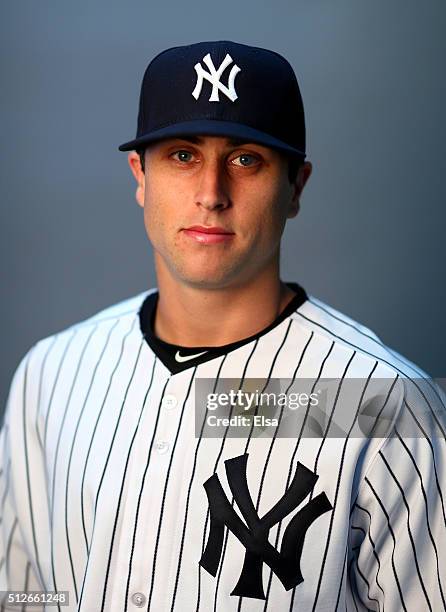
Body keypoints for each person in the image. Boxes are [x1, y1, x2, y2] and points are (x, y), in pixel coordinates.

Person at [0, 40, 445, 612]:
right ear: (141, 175)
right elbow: (27, 596)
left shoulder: (382, 401)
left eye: (246, 159)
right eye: (183, 156)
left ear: (296, 188)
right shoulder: (51, 373)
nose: (211, 195)